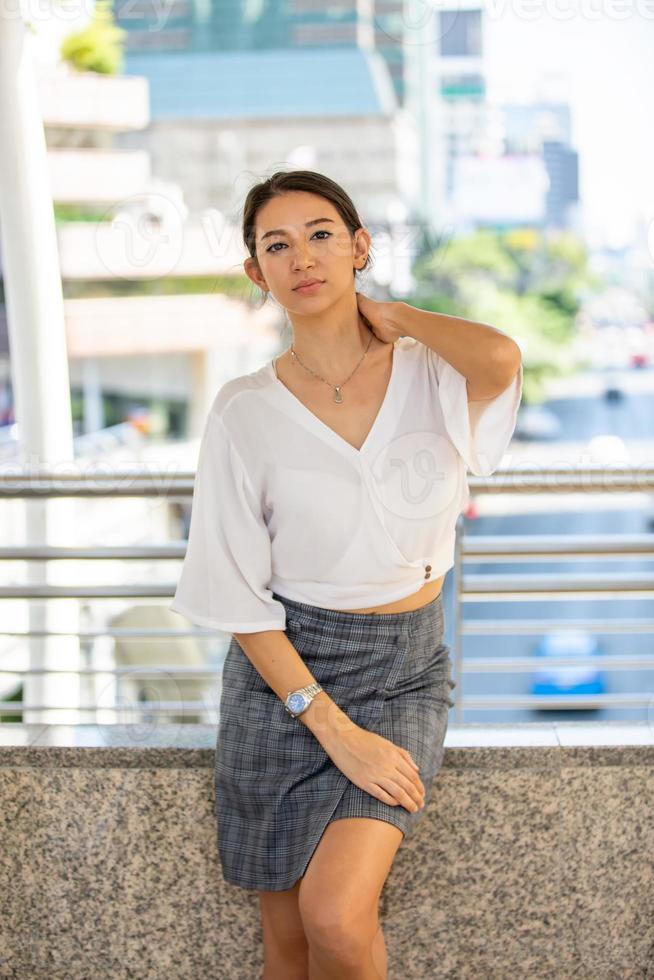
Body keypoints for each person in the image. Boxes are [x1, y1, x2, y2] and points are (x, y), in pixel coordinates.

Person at [170, 169, 523, 980]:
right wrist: (327, 723)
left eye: (323, 234)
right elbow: (235, 590)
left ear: (360, 247)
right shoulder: (243, 411)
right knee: (289, 941)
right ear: (257, 274)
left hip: (402, 674)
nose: (304, 257)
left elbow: (501, 358)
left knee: (335, 913)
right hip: (283, 678)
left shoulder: (431, 374)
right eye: (277, 245)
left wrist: (391, 317)